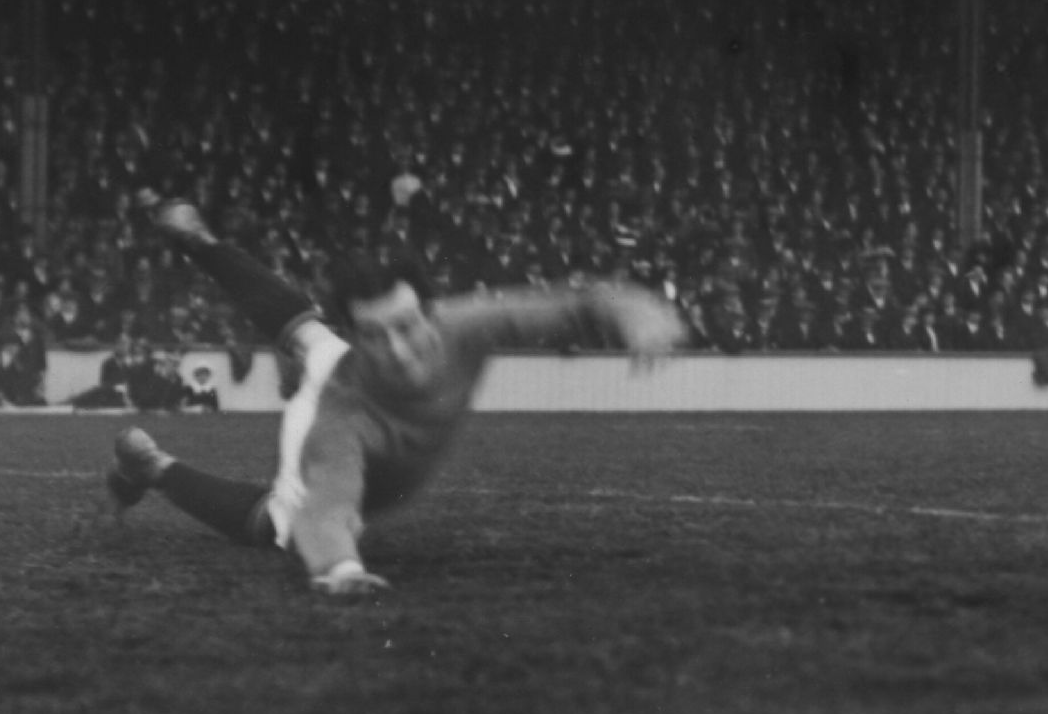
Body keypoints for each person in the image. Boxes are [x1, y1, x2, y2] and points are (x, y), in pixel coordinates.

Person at [106, 193, 687, 593]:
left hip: (335, 353)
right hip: (335, 394)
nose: (402, 348)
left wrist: (635, 309)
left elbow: (575, 300)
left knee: (308, 336)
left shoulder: (466, 323)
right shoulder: (337, 414)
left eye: (409, 326)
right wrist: (340, 569)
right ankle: (155, 466)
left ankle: (202, 242)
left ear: (431, 314)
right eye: (378, 336)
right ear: (357, 341)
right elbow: (326, 508)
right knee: (277, 525)